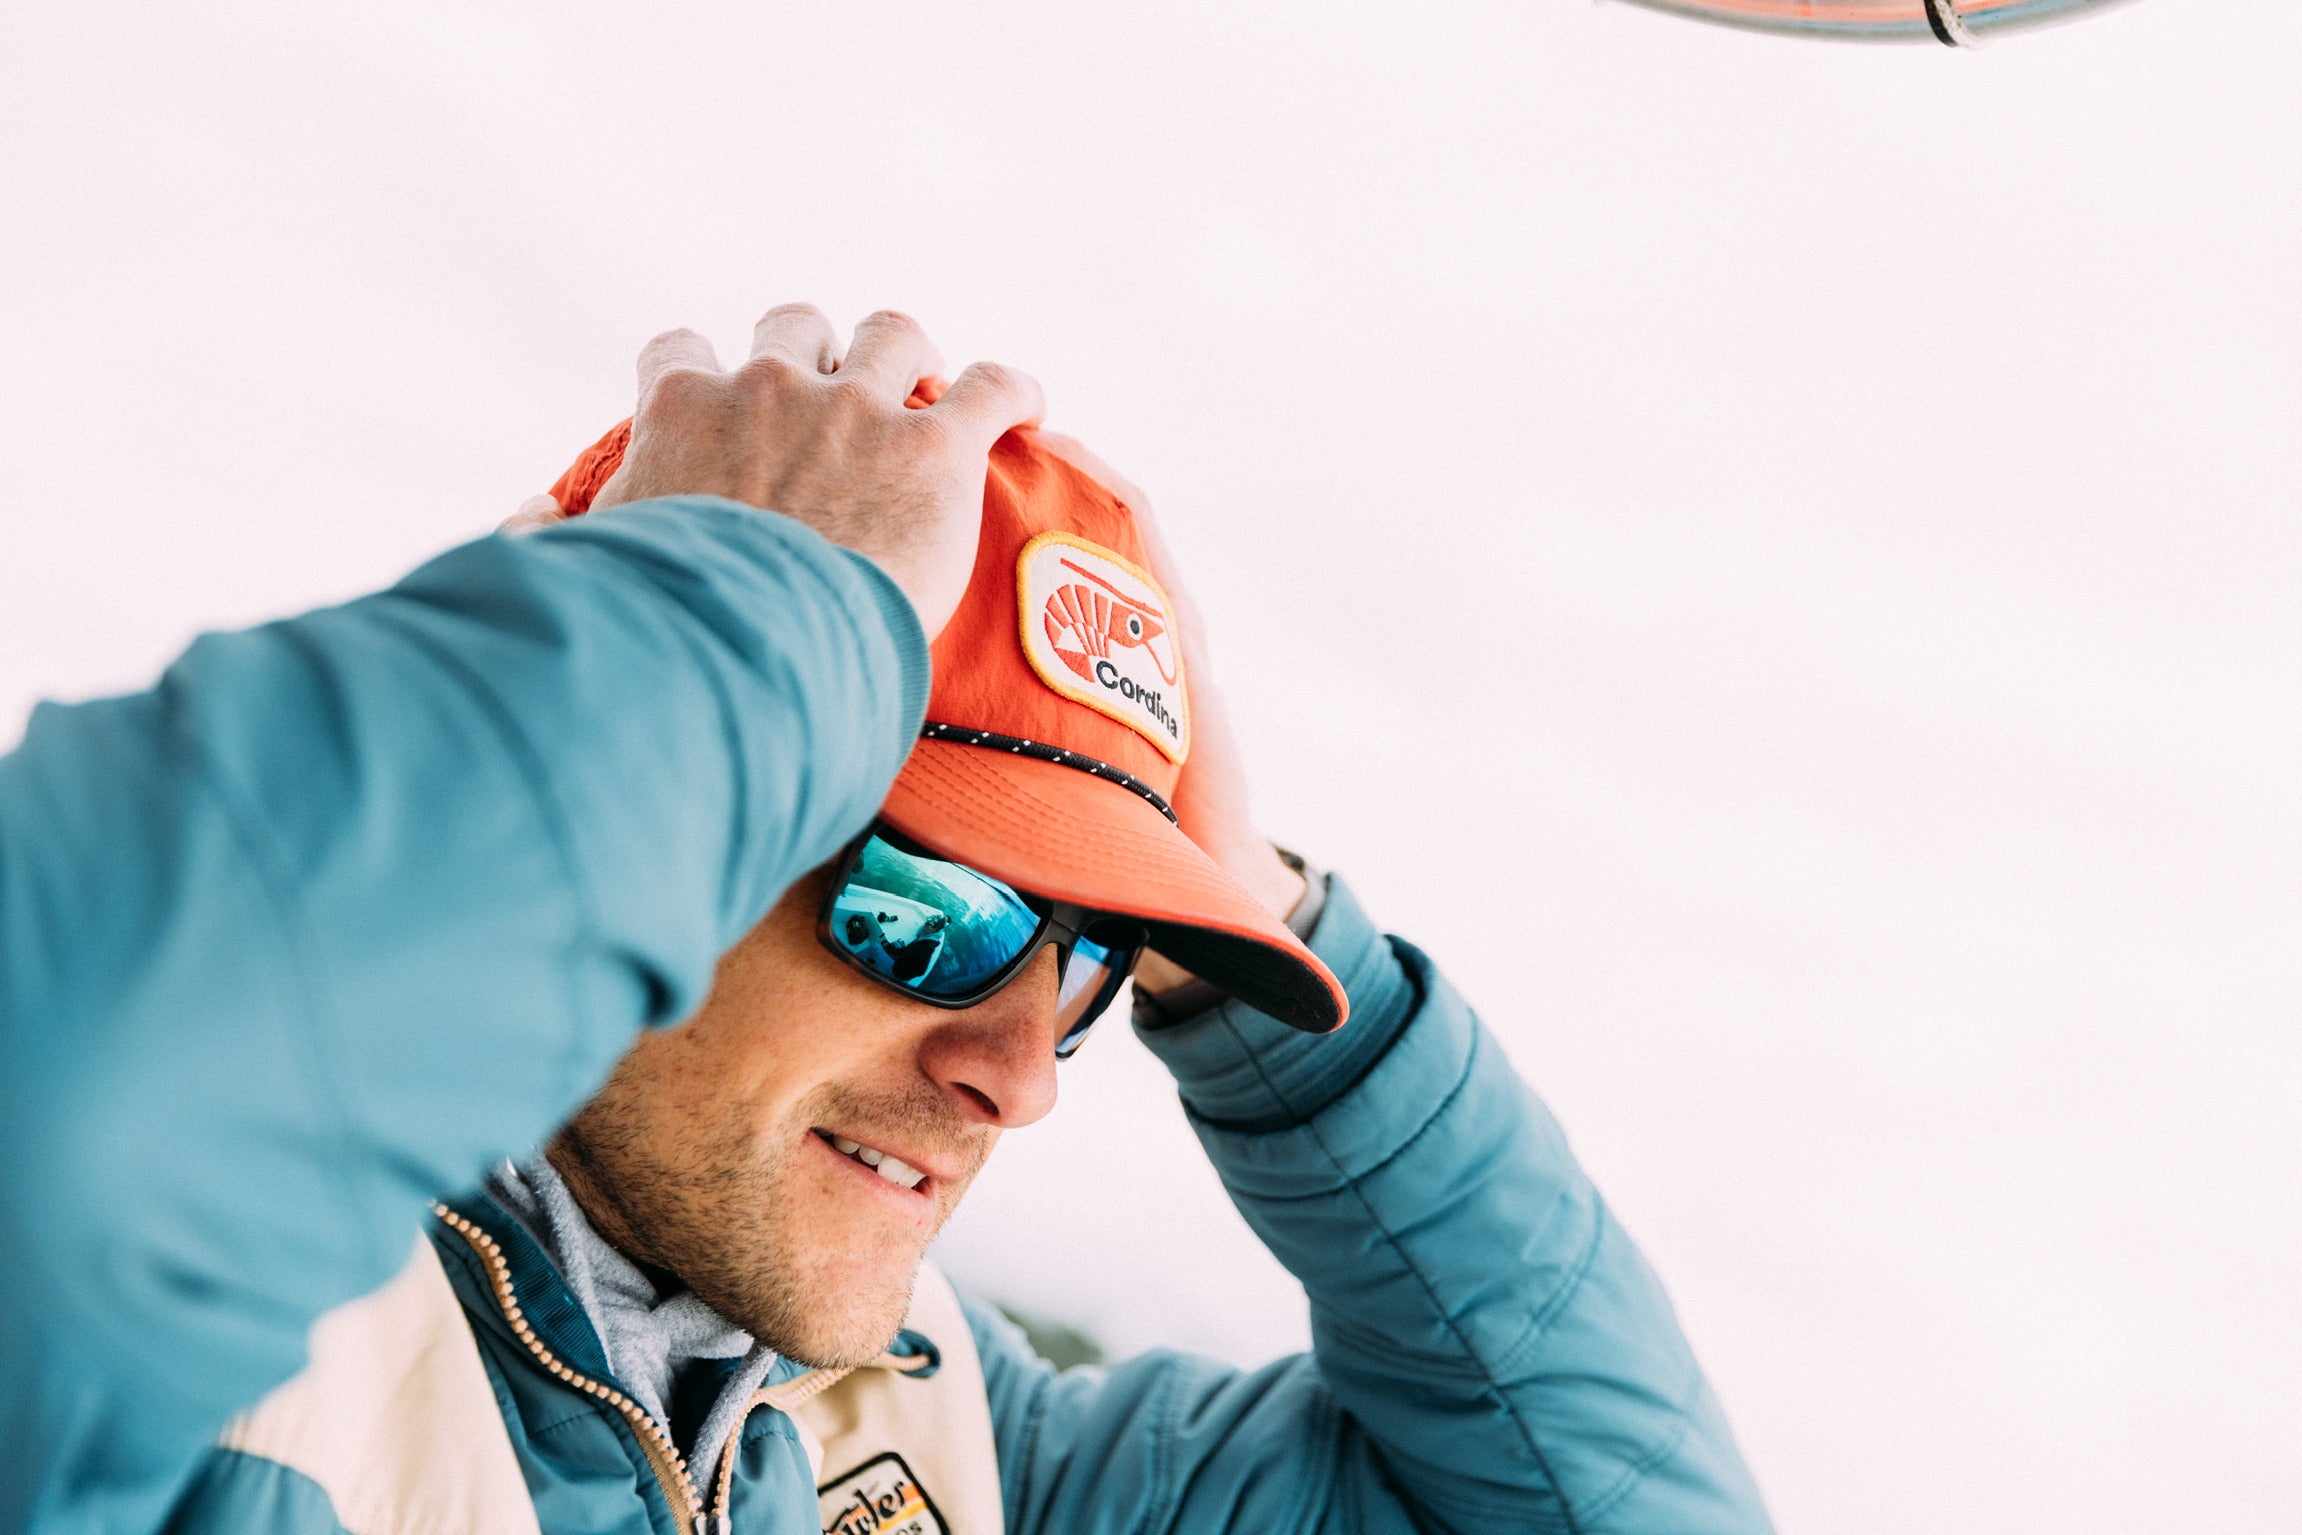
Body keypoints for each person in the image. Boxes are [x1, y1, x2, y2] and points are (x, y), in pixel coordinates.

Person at [0, 303, 1773, 1535]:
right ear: (654, 813)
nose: (1021, 1074)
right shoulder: (250, 1345)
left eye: (1089, 965)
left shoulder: (926, 1444)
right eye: (928, 909)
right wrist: (740, 608)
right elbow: (77, 1108)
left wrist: (1276, 944)